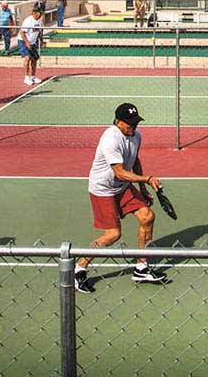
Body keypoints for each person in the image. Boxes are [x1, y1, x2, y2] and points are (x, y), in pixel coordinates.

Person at [73, 103, 167, 292]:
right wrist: (147, 179)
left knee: (147, 216)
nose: (133, 127)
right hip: (103, 189)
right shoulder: (110, 138)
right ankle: (78, 268)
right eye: (129, 124)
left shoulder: (135, 136)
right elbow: (119, 172)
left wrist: (142, 188)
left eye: (135, 123)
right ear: (118, 121)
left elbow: (135, 160)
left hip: (123, 187)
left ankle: (141, 267)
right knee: (113, 235)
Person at [18, 6, 43, 86]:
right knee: (27, 58)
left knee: (34, 59)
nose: (40, 15)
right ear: (34, 13)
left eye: (40, 13)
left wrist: (40, 40)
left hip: (32, 42)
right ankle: (26, 78)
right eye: (39, 13)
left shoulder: (39, 20)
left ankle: (33, 77)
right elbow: (22, 33)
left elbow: (39, 31)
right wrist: (27, 42)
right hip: (23, 41)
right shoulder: (28, 21)